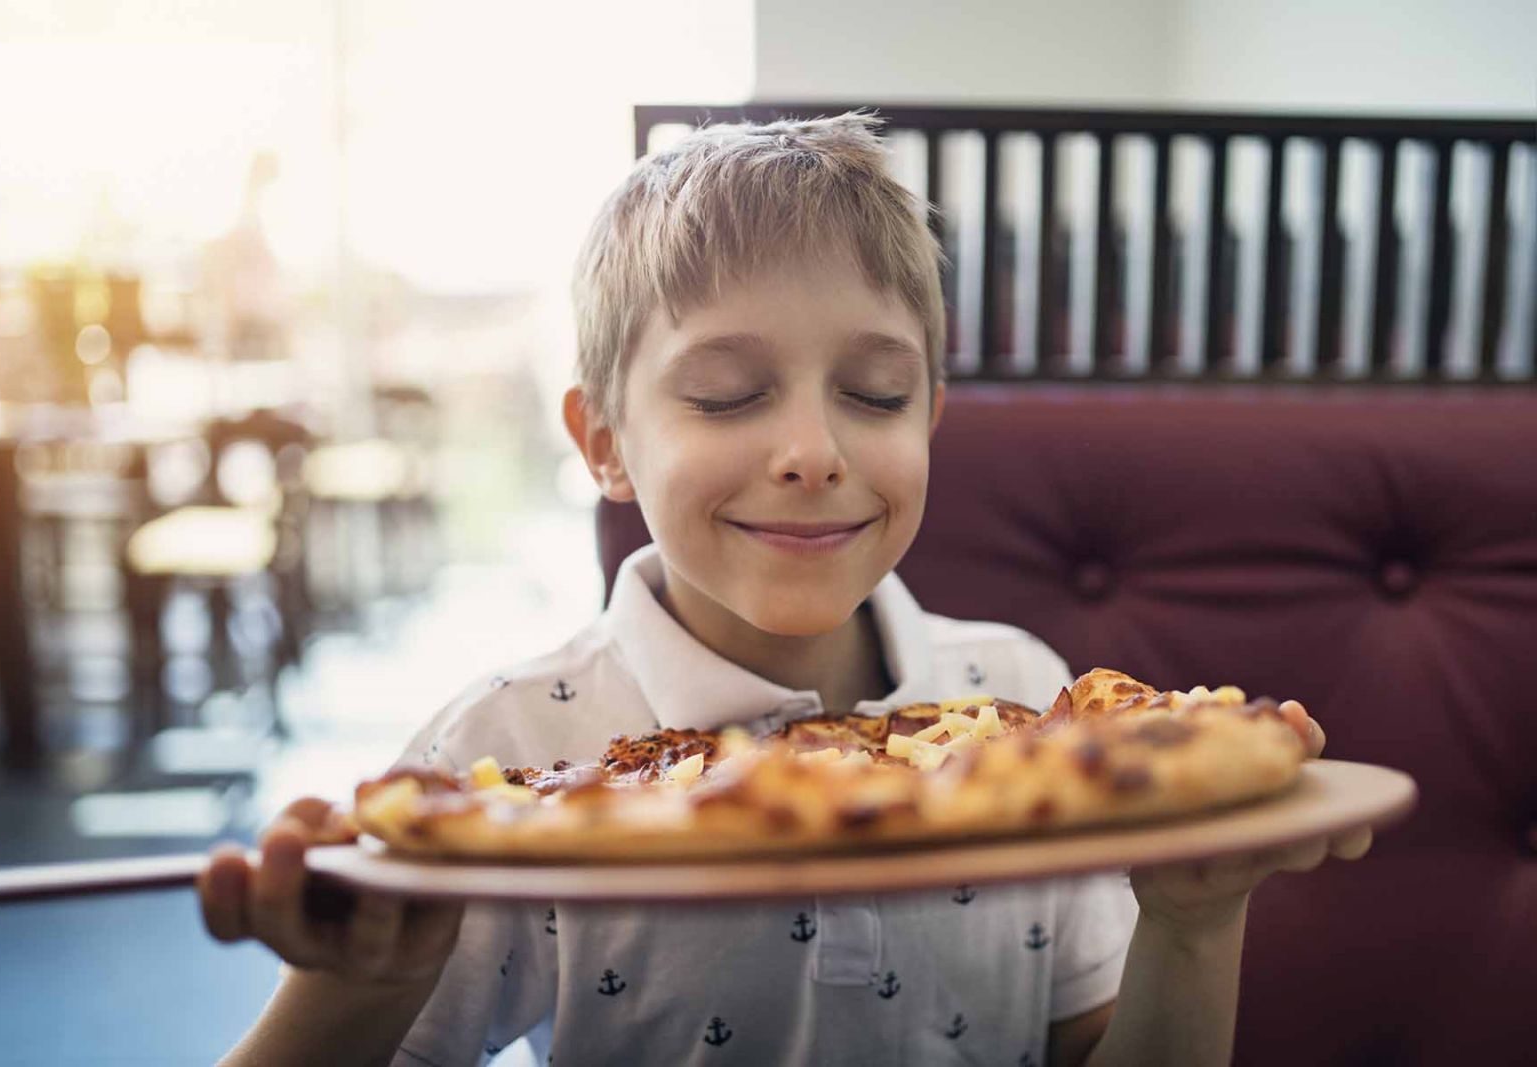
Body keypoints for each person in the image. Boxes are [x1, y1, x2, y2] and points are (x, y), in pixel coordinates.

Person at [197, 111, 1370, 1067]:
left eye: (872, 393)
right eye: (723, 394)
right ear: (603, 442)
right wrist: (356, 990)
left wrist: (1195, 918)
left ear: (931, 419)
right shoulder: (498, 753)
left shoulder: (1031, 705)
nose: (813, 448)